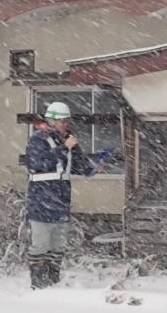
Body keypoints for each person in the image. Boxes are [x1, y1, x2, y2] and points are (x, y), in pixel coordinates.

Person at [24, 101, 114, 290]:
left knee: (58, 245)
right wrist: (64, 148)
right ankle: (38, 284)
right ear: (51, 121)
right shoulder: (38, 139)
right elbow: (36, 164)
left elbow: (80, 166)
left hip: (61, 201)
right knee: (40, 244)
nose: (66, 124)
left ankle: (53, 281)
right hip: (41, 200)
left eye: (67, 121)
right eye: (62, 121)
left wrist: (96, 165)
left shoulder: (68, 140)